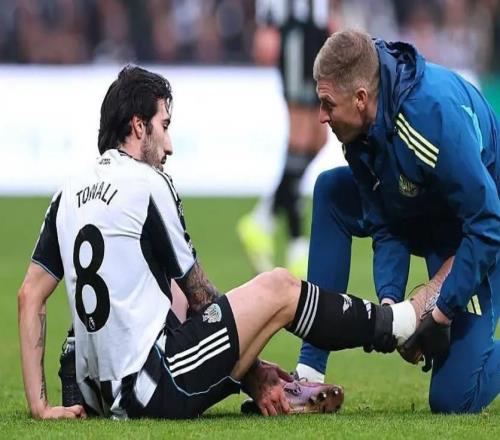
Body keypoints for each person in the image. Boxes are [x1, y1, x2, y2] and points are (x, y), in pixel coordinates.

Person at [18, 65, 448, 420]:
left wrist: (40, 407)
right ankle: (398, 323)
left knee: (168, 294)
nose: (169, 145)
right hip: (151, 387)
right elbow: (202, 297)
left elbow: (29, 297)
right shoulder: (147, 183)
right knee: (278, 288)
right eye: (164, 126)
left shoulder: (67, 191)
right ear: (137, 126)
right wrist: (253, 366)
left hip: (93, 392)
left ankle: (277, 383)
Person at [298, 29, 500, 412]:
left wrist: (440, 312)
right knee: (331, 191)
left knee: (452, 399)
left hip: (481, 226)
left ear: (360, 98)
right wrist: (392, 309)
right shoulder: (361, 123)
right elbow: (385, 220)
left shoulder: (429, 119)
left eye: (327, 104)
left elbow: (487, 222)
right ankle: (308, 375)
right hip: (428, 208)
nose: (321, 116)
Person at [237, 0, 332, 277]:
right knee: (300, 136)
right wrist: (267, 21)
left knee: (319, 138)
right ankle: (297, 245)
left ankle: (263, 218)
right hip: (294, 29)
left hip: (316, 30)